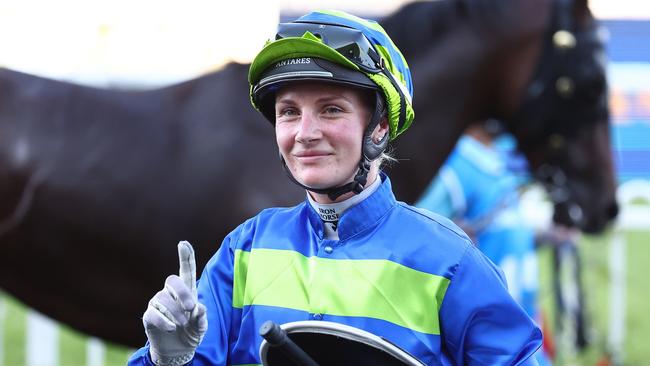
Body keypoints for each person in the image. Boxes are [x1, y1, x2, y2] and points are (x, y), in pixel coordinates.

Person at [128, 10, 542, 366]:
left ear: (379, 126)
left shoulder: (449, 260)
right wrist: (167, 359)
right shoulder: (245, 249)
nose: (305, 133)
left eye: (331, 109)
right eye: (289, 112)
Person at [415, 120, 551, 365]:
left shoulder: (504, 157)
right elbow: (418, 234)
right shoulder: (456, 166)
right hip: (485, 333)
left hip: (525, 330)